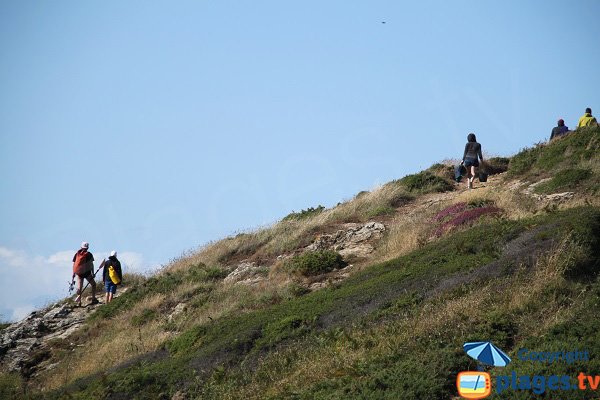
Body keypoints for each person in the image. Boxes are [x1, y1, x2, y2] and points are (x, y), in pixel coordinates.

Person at [72, 242, 98, 306]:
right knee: (93, 284)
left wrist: (73, 273)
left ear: (81, 247)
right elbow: (91, 264)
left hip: (79, 273)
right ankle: (94, 299)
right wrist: (93, 273)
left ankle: (79, 302)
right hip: (87, 273)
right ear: (88, 248)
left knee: (79, 288)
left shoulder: (77, 254)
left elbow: (74, 264)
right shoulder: (89, 254)